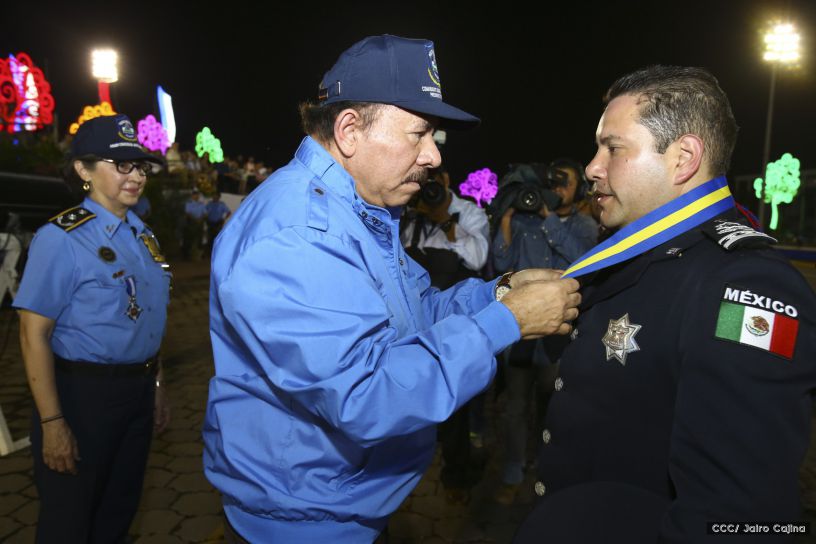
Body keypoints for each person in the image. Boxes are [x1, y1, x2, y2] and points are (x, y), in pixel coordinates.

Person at [203, 34, 580, 544]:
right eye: (419, 134)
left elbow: (413, 311)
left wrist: (496, 295)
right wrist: (505, 322)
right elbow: (364, 396)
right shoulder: (299, 234)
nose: (432, 155)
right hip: (303, 523)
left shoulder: (357, 212)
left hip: (340, 504)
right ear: (349, 130)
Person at [515, 66, 816, 543]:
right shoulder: (636, 252)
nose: (592, 167)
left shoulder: (746, 285)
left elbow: (737, 517)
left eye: (613, 148)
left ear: (683, 159)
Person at [13, 114, 172, 543]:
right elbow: (32, 333)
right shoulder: (62, 238)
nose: (137, 176)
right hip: (83, 397)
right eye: (122, 165)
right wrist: (52, 422)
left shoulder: (143, 236)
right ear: (83, 169)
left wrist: (157, 385)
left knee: (117, 513)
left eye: (141, 166)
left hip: (137, 392)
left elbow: (148, 319)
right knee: (69, 521)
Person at [491, 159, 597, 504]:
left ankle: (545, 469)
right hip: (522, 333)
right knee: (515, 408)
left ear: (578, 190)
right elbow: (501, 266)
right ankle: (512, 472)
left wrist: (549, 218)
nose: (557, 188)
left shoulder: (585, 225)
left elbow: (582, 262)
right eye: (552, 181)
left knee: (552, 407)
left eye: (565, 182)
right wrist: (507, 218)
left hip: (561, 335)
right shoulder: (524, 220)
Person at [400, 167, 491, 502]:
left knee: (455, 402)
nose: (431, 190)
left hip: (453, 322)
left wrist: (445, 220)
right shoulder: (411, 212)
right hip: (413, 321)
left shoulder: (469, 213)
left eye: (436, 183)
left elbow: (478, 258)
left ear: (447, 180)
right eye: (426, 184)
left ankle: (456, 475)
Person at [182, 188, 206, 259]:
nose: (196, 196)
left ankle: (198, 254)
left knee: (199, 239)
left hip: (200, 223)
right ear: (192, 196)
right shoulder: (188, 203)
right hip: (191, 223)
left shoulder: (201, 204)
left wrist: (200, 219)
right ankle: (187, 255)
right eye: (195, 195)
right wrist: (195, 219)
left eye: (197, 195)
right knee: (189, 239)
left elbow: (205, 213)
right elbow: (187, 213)